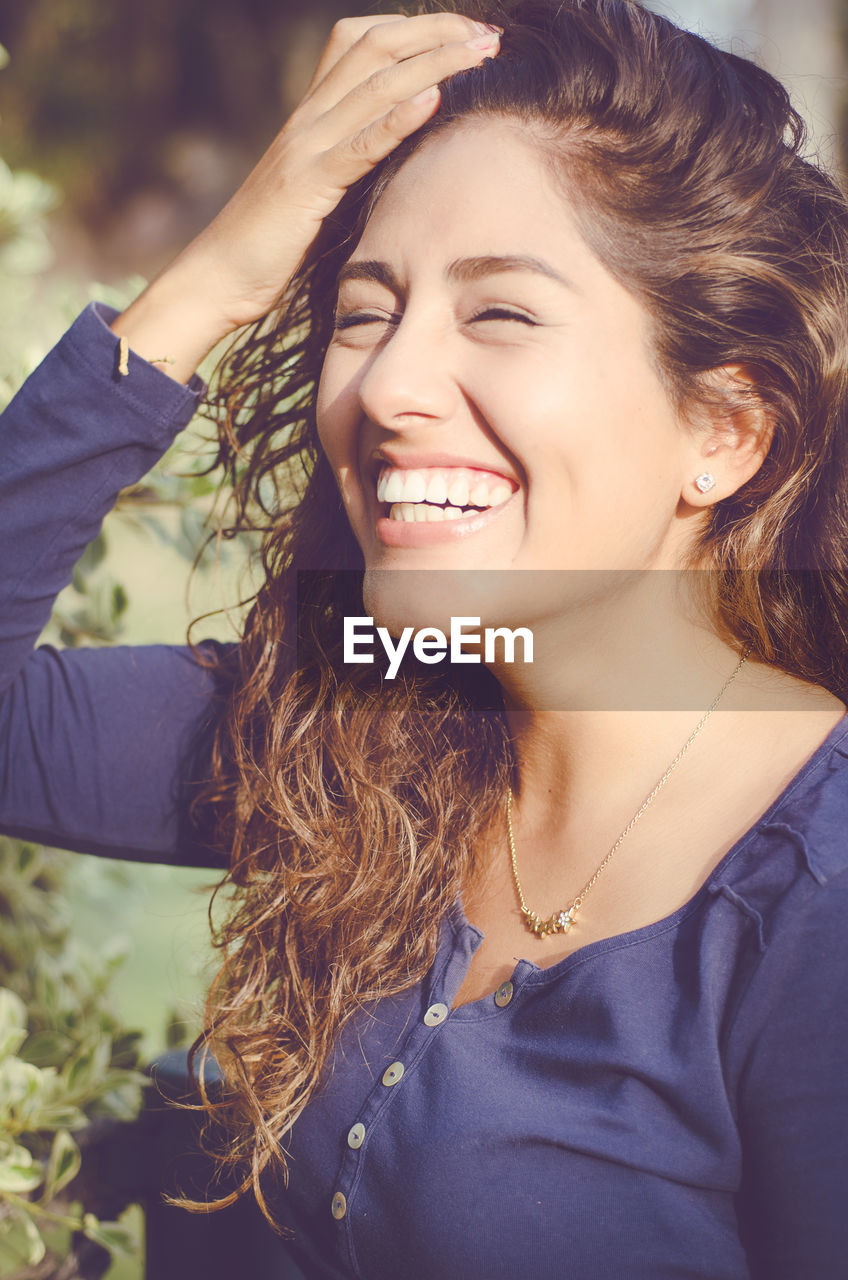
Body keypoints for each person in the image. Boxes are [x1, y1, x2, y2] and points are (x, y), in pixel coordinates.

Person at [2, 1, 848, 1275]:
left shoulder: (812, 899)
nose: (389, 388)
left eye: (500, 314)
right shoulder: (344, 729)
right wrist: (211, 280)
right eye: (361, 311)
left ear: (724, 432)